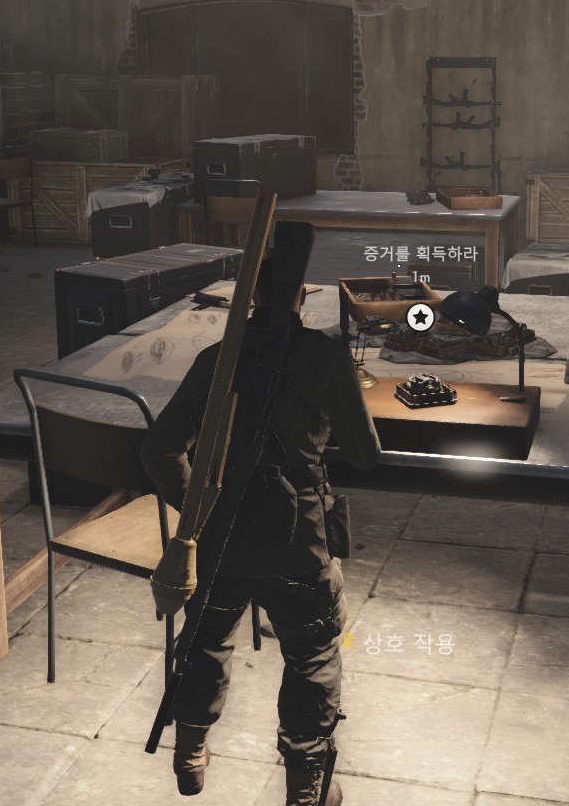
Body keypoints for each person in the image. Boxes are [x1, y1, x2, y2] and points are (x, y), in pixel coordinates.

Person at [141, 264, 381, 806]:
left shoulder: (217, 358)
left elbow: (159, 450)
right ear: (300, 299)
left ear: (250, 298)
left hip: (222, 540)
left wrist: (202, 510)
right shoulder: (324, 356)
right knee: (313, 657)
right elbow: (366, 455)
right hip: (300, 545)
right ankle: (305, 786)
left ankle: (191, 757)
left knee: (204, 642)